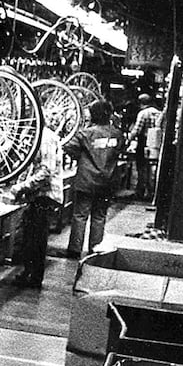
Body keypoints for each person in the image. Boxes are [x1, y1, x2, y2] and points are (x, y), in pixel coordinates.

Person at [63, 99, 124, 258]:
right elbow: (119, 150)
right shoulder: (117, 134)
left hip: (86, 180)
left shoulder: (86, 133)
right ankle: (95, 250)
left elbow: (68, 147)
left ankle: (75, 250)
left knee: (80, 215)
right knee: (99, 216)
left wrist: (82, 158)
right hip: (107, 181)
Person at [8, 123, 64, 288]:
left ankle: (34, 278)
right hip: (39, 195)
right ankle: (29, 274)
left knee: (36, 239)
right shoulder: (40, 135)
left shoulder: (45, 138)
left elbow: (45, 172)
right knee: (31, 237)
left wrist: (22, 187)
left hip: (45, 195)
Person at [128, 93, 161, 200]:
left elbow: (137, 130)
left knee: (141, 168)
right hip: (156, 144)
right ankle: (151, 192)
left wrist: (128, 140)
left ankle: (141, 192)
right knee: (153, 168)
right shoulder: (159, 113)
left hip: (144, 143)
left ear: (140, 103)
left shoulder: (143, 113)